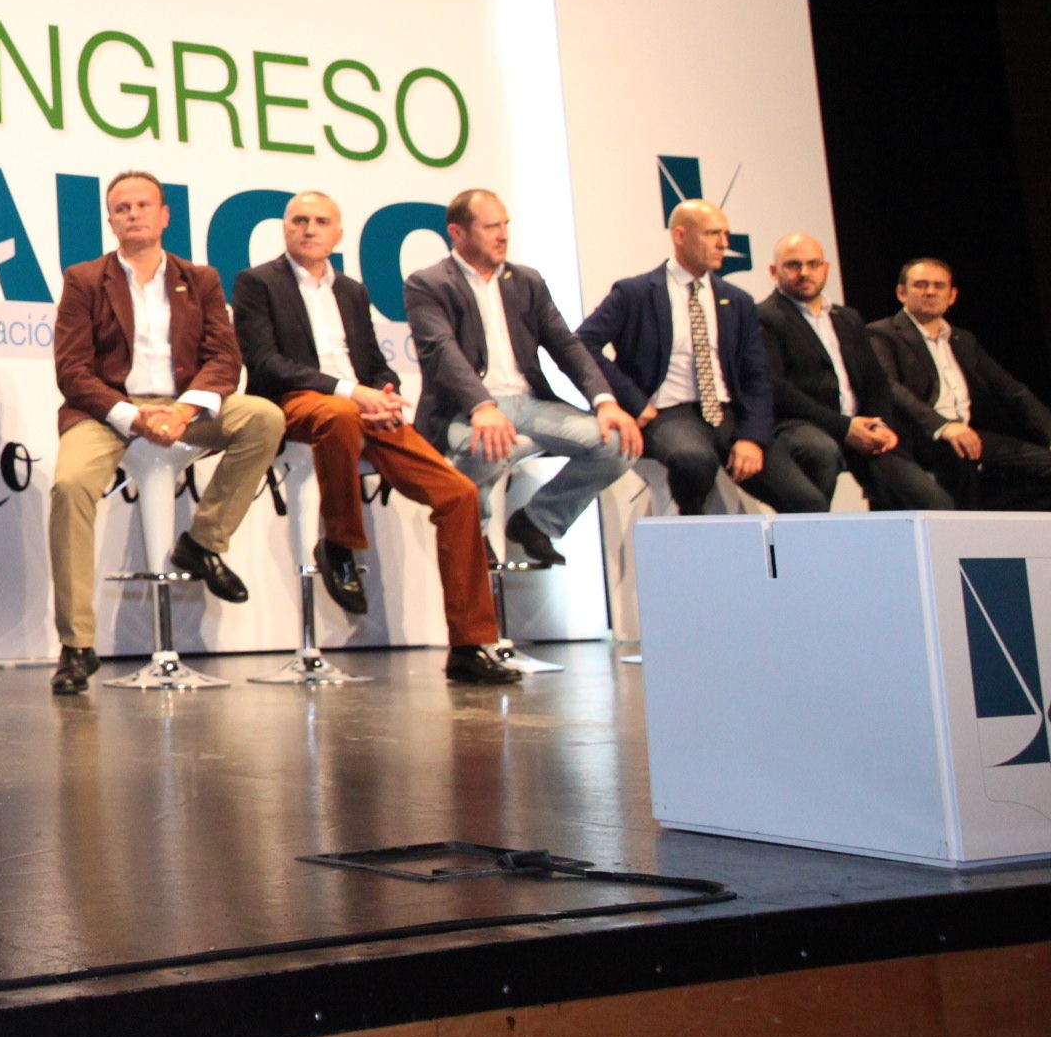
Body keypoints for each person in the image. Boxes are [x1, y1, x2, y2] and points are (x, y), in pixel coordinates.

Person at [231, 193, 518, 686]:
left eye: (321, 221)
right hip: (296, 403)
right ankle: (341, 542)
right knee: (340, 414)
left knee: (459, 494)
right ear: (284, 229)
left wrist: (386, 393)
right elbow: (265, 364)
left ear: (338, 235)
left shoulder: (352, 290)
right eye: (299, 220)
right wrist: (352, 391)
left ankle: (471, 645)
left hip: (362, 408)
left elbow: (375, 362)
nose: (309, 229)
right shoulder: (258, 283)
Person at [43, 170, 283, 691]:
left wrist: (184, 411)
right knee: (69, 484)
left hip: (183, 409)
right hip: (109, 412)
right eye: (122, 207)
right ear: (110, 219)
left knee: (264, 417)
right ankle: (77, 645)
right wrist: (134, 416)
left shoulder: (201, 279)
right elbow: (73, 372)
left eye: (143, 205)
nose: (133, 214)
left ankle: (202, 540)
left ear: (164, 215)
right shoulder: (84, 279)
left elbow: (224, 358)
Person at [404, 189, 643, 568]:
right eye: (490, 227)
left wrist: (605, 401)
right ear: (458, 233)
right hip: (462, 410)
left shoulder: (526, 281)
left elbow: (567, 346)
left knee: (617, 443)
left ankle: (537, 521)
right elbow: (441, 351)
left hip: (529, 404)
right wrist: (482, 405)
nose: (502, 235)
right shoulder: (429, 283)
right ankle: (474, 530)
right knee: (492, 445)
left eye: (504, 225)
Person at [579, 201, 831, 514]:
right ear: (680, 236)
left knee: (808, 501)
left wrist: (752, 436)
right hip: (668, 412)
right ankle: (694, 531)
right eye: (713, 234)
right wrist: (630, 399)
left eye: (725, 234)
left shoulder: (736, 300)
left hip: (728, 414)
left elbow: (757, 377)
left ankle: (794, 562)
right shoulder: (637, 292)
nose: (724, 243)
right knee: (694, 461)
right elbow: (582, 344)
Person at [758, 235, 950, 512]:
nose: (804, 273)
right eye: (793, 265)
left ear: (825, 269)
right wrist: (845, 428)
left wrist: (879, 424)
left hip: (862, 428)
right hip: (803, 426)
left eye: (813, 264)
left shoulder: (847, 317)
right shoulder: (764, 317)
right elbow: (777, 389)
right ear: (774, 272)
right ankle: (810, 543)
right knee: (820, 451)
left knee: (934, 501)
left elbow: (876, 381)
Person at [869, 258, 1051, 509]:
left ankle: (996, 522)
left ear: (951, 296)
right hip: (921, 435)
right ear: (902, 293)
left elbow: (1012, 391)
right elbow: (889, 387)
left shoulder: (962, 339)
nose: (930, 291)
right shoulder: (882, 334)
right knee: (957, 455)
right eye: (921, 285)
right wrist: (943, 426)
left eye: (939, 286)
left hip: (967, 434)